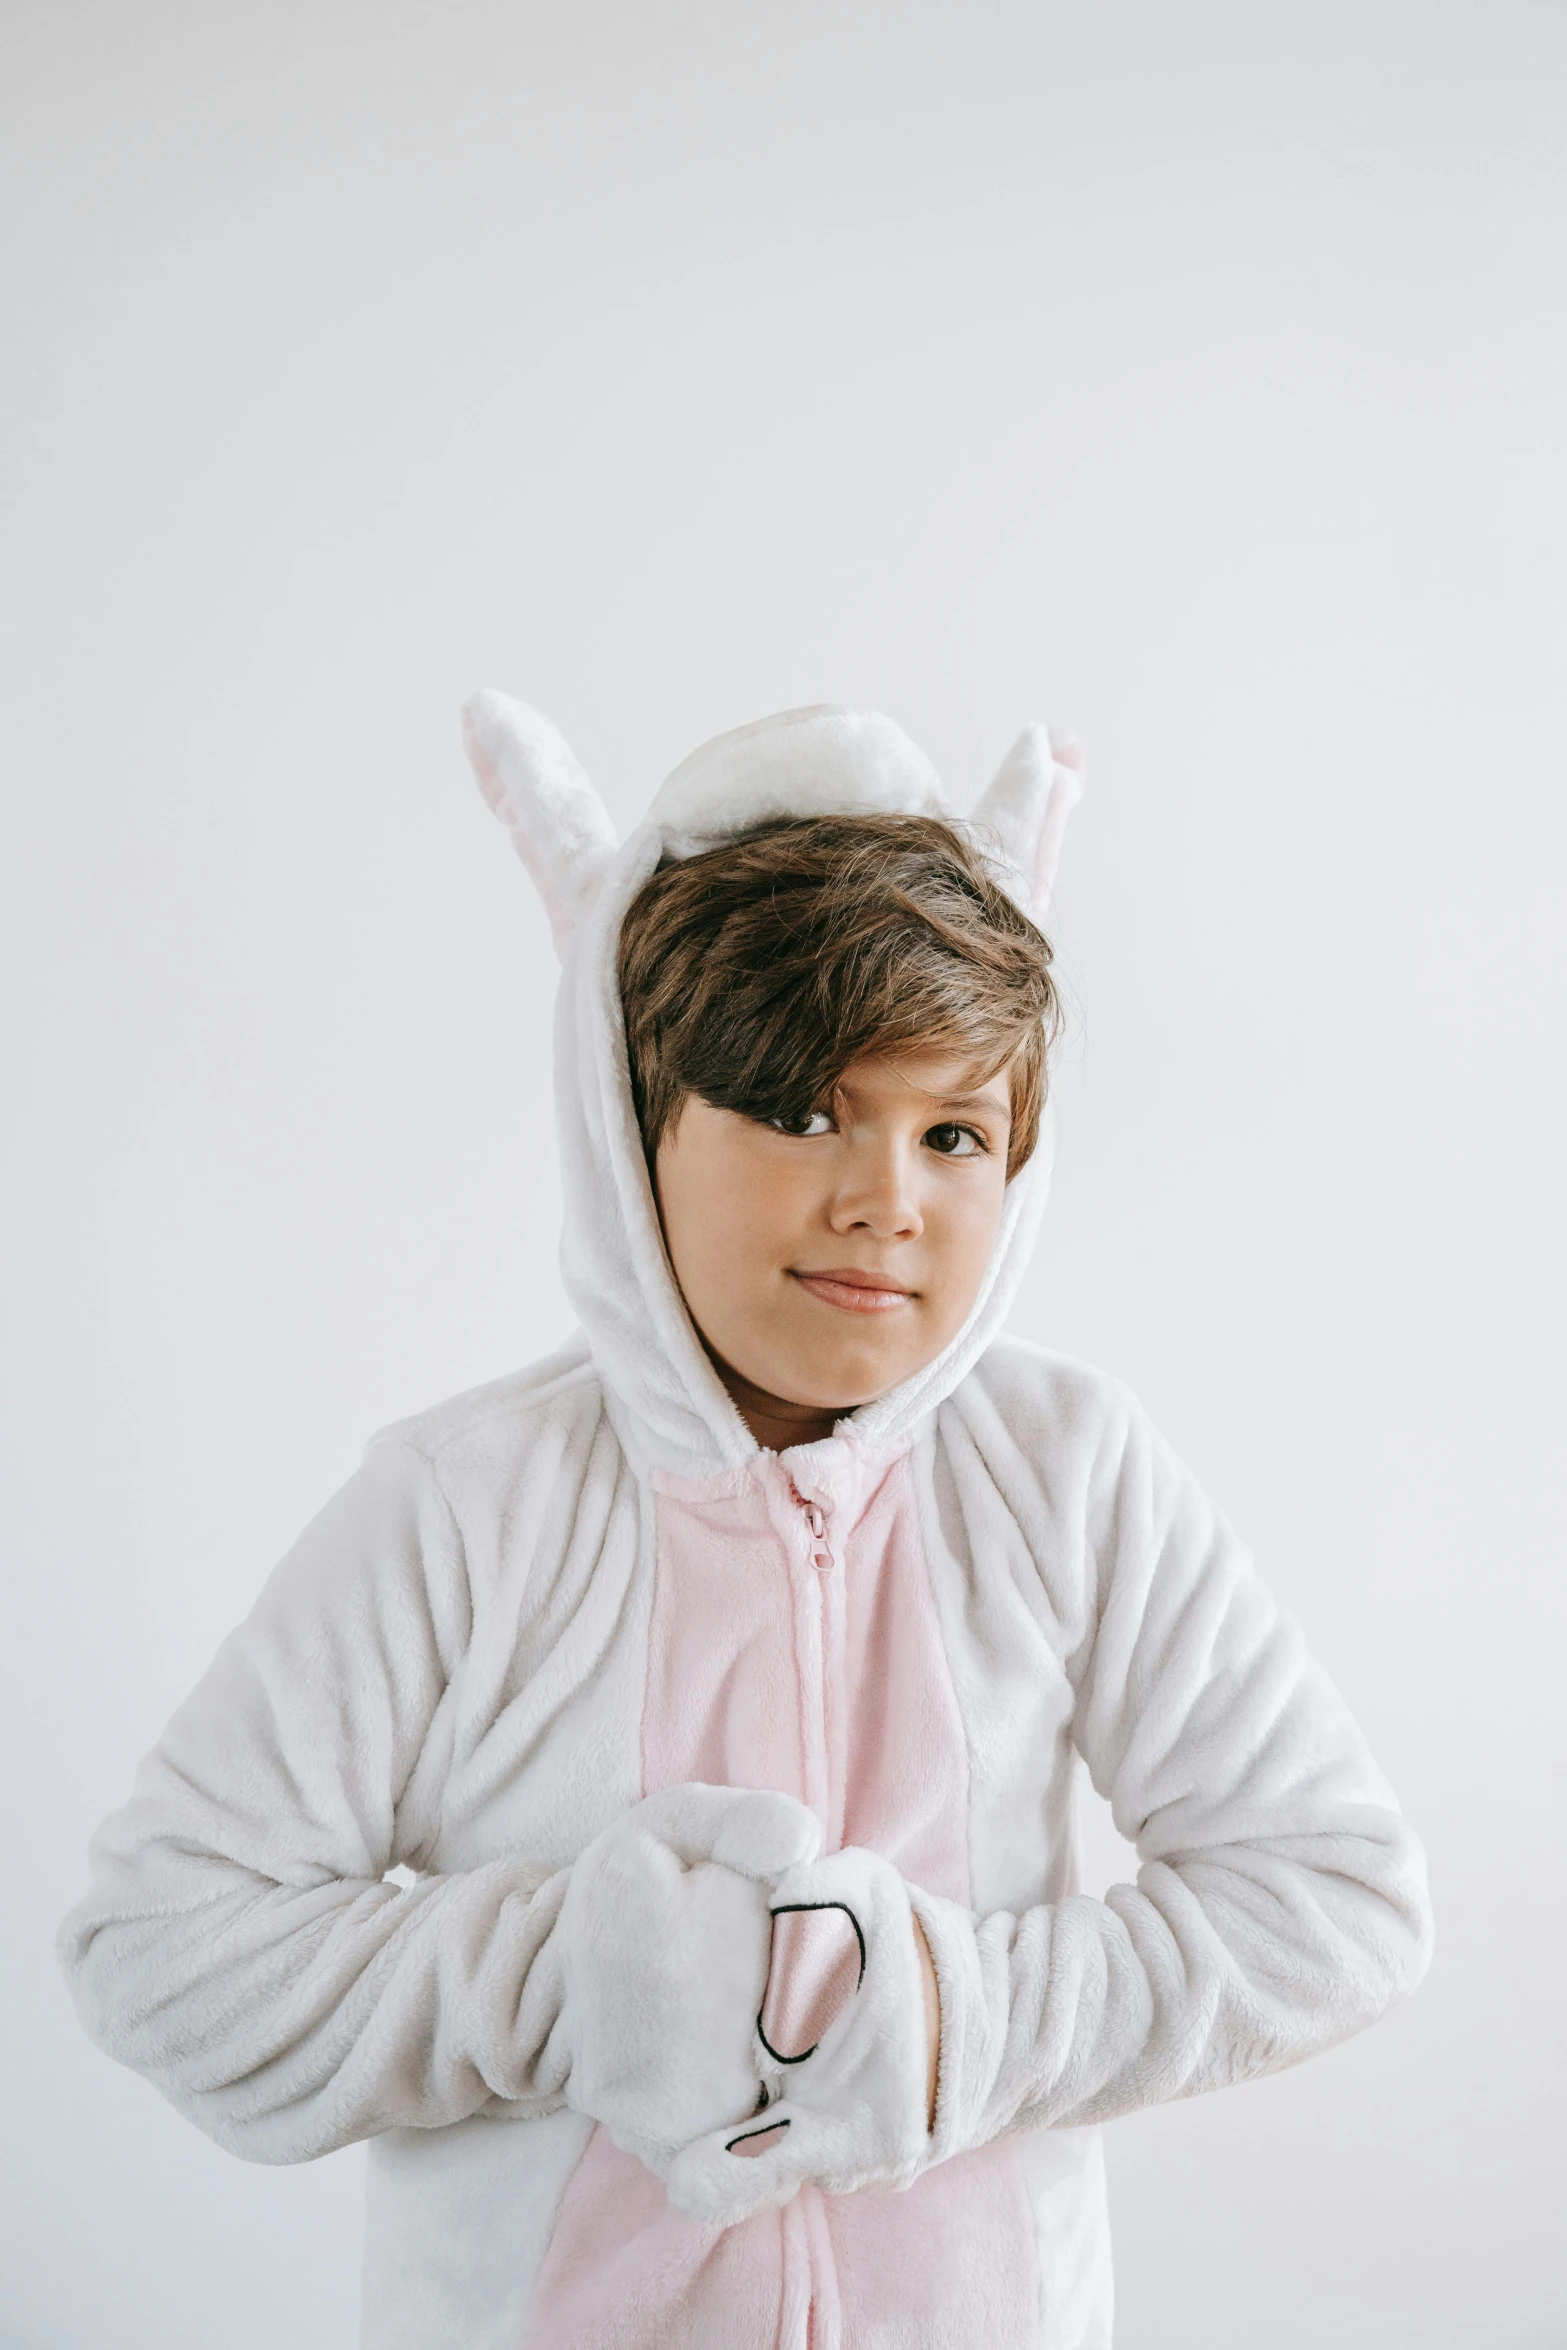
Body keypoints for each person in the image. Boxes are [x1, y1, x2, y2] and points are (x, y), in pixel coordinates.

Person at [58, 693, 1433, 2350]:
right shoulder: (462, 1507)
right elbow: (160, 1943)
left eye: (952, 1131)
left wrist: (950, 2017)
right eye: (799, 1112)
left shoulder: (1068, 1470)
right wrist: (562, 1977)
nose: (886, 1197)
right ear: (635, 1127)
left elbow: (1337, 1896)